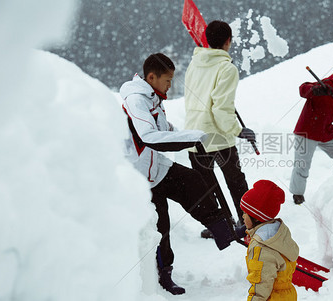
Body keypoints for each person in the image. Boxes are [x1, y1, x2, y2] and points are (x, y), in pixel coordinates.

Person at [120, 53, 238, 295]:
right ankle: (164, 276)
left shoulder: (154, 97)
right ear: (151, 77)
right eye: (168, 80)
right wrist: (188, 138)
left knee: (195, 182)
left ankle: (223, 231)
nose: (170, 85)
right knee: (160, 225)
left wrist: (187, 133)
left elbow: (164, 129)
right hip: (142, 178)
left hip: (158, 168)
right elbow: (149, 137)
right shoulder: (136, 100)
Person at [184, 20, 255, 235]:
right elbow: (221, 109)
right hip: (217, 136)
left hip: (194, 135)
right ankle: (249, 223)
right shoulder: (227, 68)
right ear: (228, 41)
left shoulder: (194, 63)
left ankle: (223, 225)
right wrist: (238, 130)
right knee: (235, 181)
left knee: (208, 186)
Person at [290, 62, 333, 204]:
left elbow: (329, 114)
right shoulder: (325, 84)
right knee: (303, 164)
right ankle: (297, 194)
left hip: (324, 133)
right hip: (307, 131)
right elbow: (303, 89)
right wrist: (316, 90)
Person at [240, 180, 299, 301]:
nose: (242, 216)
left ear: (256, 217)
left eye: (245, 213)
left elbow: (261, 285)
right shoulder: (278, 233)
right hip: (287, 295)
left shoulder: (261, 247)